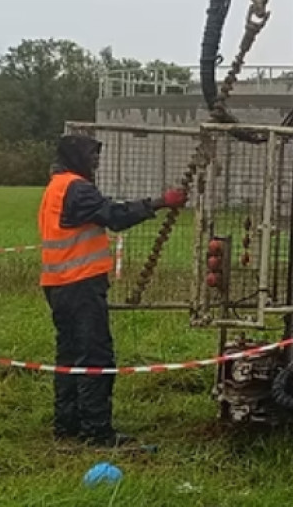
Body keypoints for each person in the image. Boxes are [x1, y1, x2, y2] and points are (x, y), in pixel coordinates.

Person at [38, 134, 187, 447]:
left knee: (69, 356)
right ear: (76, 157)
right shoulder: (76, 188)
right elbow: (115, 217)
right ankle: (97, 432)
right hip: (79, 285)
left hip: (58, 285)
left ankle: (67, 426)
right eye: (92, 155)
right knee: (96, 357)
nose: (96, 161)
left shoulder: (56, 187)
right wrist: (159, 202)